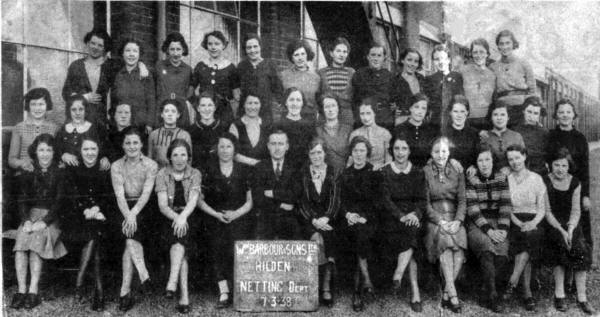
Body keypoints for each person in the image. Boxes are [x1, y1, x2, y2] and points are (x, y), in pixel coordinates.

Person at [10, 134, 67, 310]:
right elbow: (22, 200)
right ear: (35, 151)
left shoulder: (60, 172)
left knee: (35, 244)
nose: (45, 154)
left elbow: (60, 202)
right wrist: (26, 221)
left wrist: (45, 221)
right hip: (30, 215)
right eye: (41, 150)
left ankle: (33, 291)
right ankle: (21, 290)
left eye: (48, 150)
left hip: (51, 218)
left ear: (54, 152)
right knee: (21, 242)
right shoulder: (28, 171)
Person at [199, 133, 253, 308]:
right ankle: (224, 291)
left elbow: (250, 201)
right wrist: (216, 215)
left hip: (239, 217)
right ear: (217, 149)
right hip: (215, 217)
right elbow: (199, 200)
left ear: (234, 148)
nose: (225, 150)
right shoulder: (208, 169)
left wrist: (235, 214)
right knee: (217, 245)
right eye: (221, 146)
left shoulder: (244, 170)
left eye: (228, 146)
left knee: (237, 244)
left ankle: (238, 287)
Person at [110, 126, 158, 311]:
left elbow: (146, 194)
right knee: (129, 233)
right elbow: (119, 195)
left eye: (135, 142)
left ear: (141, 144)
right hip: (122, 207)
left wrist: (133, 214)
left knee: (130, 235)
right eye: (128, 143)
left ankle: (125, 291)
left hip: (144, 208)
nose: (131, 146)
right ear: (122, 145)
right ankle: (142, 273)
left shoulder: (151, 165)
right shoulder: (116, 166)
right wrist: (128, 215)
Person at [543, 148, 595, 315]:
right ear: (551, 165)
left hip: (571, 223)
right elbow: (547, 211)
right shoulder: (545, 181)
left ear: (569, 166)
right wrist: (561, 230)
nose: (560, 169)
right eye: (556, 165)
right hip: (552, 223)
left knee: (580, 248)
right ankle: (560, 294)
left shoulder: (575, 182)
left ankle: (582, 297)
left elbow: (576, 210)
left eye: (564, 165)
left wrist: (571, 229)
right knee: (559, 245)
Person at [63, 136, 113, 311]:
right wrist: (86, 210)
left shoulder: (104, 170)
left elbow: (108, 197)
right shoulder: (73, 170)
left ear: (98, 151)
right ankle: (99, 291)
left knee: (95, 236)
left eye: (93, 149)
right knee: (94, 237)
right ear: (80, 152)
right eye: (86, 149)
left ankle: (81, 280)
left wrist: (98, 209)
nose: (90, 153)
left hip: (100, 216)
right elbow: (71, 197)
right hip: (77, 218)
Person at [62, 29, 148, 128]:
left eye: (100, 45)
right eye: (93, 43)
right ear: (87, 43)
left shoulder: (111, 65)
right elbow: (65, 92)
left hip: (100, 121)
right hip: (78, 119)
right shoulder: (76, 66)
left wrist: (141, 65)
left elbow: (130, 61)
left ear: (105, 48)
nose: (95, 47)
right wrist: (84, 97)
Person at [380, 134, 426, 312]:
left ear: (410, 151)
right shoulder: (384, 172)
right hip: (390, 218)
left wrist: (415, 214)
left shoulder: (417, 172)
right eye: (397, 148)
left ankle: (399, 274)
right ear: (392, 150)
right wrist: (401, 216)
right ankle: (414, 292)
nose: (400, 152)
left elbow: (422, 200)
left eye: (404, 148)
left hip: (412, 217)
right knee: (410, 237)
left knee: (413, 231)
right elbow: (385, 200)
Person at [155, 139, 201, 314]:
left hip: (190, 216)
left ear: (188, 157)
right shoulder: (162, 174)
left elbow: (193, 201)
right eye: (175, 155)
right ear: (169, 158)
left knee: (180, 240)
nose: (180, 159)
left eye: (183, 154)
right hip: (169, 217)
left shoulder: (195, 173)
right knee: (179, 243)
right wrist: (177, 218)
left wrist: (182, 218)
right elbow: (162, 206)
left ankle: (172, 282)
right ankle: (184, 296)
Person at [465, 144, 512, 313]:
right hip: (477, 223)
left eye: (487, 159)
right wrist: (489, 230)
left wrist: (502, 229)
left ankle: (484, 289)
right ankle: (492, 295)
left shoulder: (501, 178)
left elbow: (506, 205)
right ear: (475, 163)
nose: (484, 164)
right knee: (486, 248)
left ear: (493, 161)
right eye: (480, 160)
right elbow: (473, 209)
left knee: (502, 250)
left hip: (498, 222)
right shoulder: (471, 180)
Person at [423, 137, 467, 313]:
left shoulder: (457, 170)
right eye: (436, 152)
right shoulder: (425, 172)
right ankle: (452, 293)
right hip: (435, 217)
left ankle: (447, 292)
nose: (440, 155)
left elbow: (463, 199)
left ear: (449, 152)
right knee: (446, 243)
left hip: (455, 215)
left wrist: (458, 220)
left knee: (459, 245)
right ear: (431, 153)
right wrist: (440, 221)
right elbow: (425, 204)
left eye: (443, 151)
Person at [340, 136, 381, 312]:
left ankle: (358, 291)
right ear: (351, 152)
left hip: (370, 219)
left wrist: (364, 216)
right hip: (349, 219)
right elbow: (340, 201)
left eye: (362, 150)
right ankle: (367, 281)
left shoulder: (374, 172)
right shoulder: (345, 174)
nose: (358, 154)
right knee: (357, 233)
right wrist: (348, 214)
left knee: (360, 233)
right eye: (355, 150)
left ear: (368, 153)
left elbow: (378, 201)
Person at [298, 138, 340, 307]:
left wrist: (326, 218)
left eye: (319, 152)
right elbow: (302, 202)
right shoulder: (303, 173)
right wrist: (315, 220)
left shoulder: (333, 172)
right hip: (309, 219)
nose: (316, 156)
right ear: (309, 155)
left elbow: (335, 200)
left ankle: (326, 285)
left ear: (325, 154)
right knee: (317, 239)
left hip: (329, 218)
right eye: (313, 153)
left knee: (328, 236)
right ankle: (320, 287)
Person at [504, 144, 546, 311]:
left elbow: (542, 208)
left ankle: (513, 281)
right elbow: (506, 207)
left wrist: (533, 223)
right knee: (525, 239)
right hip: (514, 220)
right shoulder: (506, 180)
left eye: (517, 157)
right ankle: (527, 293)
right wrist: (518, 222)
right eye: (510, 159)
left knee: (531, 236)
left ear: (524, 156)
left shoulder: (536, 178)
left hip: (535, 219)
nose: (514, 162)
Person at [546, 99, 592, 248]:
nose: (565, 115)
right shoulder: (550, 136)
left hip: (575, 186)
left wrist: (586, 195)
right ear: (556, 115)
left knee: (580, 223)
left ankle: (583, 257)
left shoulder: (580, 138)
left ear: (573, 115)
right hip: (556, 187)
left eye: (568, 112)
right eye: (561, 112)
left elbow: (584, 169)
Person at [252, 130, 301, 240]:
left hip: (290, 220)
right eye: (273, 144)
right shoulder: (259, 167)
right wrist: (281, 205)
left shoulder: (295, 167)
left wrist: (273, 193)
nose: (277, 148)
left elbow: (295, 194)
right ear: (268, 146)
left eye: (281, 144)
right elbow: (258, 197)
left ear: (287, 146)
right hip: (266, 219)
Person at [191, 31, 239, 125]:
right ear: (206, 46)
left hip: (224, 114)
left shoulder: (231, 68)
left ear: (223, 45)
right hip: (204, 113)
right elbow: (190, 89)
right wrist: (197, 106)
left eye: (217, 44)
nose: (213, 47)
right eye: (210, 44)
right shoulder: (201, 66)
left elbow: (236, 95)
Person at [490, 30, 535, 126]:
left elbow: (532, 91)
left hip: (521, 109)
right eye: (501, 44)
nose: (505, 47)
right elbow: (492, 93)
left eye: (508, 43)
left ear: (513, 44)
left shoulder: (524, 64)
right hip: (502, 110)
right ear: (498, 46)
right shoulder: (493, 67)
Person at [111, 37, 156, 133]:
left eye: (135, 51)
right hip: (121, 126)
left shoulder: (145, 75)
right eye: (127, 51)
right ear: (122, 54)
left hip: (141, 126)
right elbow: (114, 102)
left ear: (139, 55)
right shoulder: (118, 75)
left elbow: (151, 101)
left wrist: (149, 123)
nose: (131, 54)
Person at [8, 88, 58, 173]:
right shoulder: (19, 128)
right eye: (33, 104)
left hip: (48, 174)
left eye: (41, 104)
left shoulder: (54, 128)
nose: (37, 108)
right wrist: (22, 163)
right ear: (28, 106)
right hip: (25, 174)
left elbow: (57, 155)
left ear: (47, 105)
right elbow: (12, 160)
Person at [236, 33, 283, 123]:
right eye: (249, 47)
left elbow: (278, 90)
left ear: (260, 47)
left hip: (264, 112)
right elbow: (236, 90)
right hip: (245, 111)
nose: (252, 50)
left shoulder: (270, 65)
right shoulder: (241, 66)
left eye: (255, 46)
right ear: (245, 49)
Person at [55, 95, 110, 171]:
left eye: (81, 109)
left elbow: (106, 148)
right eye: (74, 109)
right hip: (68, 172)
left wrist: (105, 157)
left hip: (92, 171)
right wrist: (63, 155)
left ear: (86, 110)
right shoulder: (62, 130)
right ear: (69, 111)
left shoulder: (95, 128)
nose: (77, 113)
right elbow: (55, 150)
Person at [352, 43, 399, 131]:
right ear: (368, 57)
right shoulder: (359, 75)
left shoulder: (390, 77)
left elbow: (395, 100)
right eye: (373, 55)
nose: (376, 59)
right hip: (364, 120)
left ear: (384, 58)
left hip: (384, 120)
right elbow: (354, 101)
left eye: (379, 55)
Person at [156, 32, 195, 128]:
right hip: (163, 111)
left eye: (178, 49)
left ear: (183, 50)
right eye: (172, 49)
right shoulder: (159, 66)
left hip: (181, 112)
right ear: (167, 50)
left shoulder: (188, 69)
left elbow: (190, 93)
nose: (176, 53)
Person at [424, 44, 464, 130]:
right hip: (435, 122)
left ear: (449, 60)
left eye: (443, 58)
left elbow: (462, 100)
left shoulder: (457, 77)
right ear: (433, 61)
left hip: (453, 121)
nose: (440, 62)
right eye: (437, 59)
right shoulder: (429, 79)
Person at [279, 39, 321, 122]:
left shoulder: (316, 78)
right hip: (288, 119)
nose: (300, 58)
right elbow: (280, 100)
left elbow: (318, 103)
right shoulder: (283, 76)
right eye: (296, 55)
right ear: (292, 57)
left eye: (303, 54)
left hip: (309, 120)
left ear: (307, 55)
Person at [393, 93, 439, 168]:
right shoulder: (399, 129)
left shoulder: (432, 130)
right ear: (410, 108)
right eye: (416, 107)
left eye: (423, 108)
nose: (420, 111)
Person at [318, 37, 355, 125]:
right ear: (331, 53)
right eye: (338, 51)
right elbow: (317, 97)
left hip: (347, 119)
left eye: (344, 52)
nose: (341, 54)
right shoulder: (321, 73)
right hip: (326, 118)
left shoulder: (352, 73)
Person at [274, 87, 315, 168]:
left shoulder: (309, 124)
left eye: (298, 100)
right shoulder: (279, 124)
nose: (294, 104)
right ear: (285, 102)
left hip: (305, 167)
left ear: (302, 103)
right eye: (291, 100)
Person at [460, 38, 496, 131]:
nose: (478, 55)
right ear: (471, 54)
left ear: (487, 54)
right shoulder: (463, 71)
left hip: (487, 121)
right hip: (467, 120)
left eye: (481, 52)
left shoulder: (492, 75)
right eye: (475, 52)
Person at [479, 101, 525, 171]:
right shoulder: (484, 136)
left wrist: (510, 168)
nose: (499, 118)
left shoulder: (516, 136)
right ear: (491, 117)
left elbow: (523, 160)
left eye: (503, 114)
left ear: (508, 117)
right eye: (495, 115)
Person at [189, 91, 229, 170]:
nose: (206, 109)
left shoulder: (224, 128)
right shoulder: (191, 131)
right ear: (198, 108)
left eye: (210, 105)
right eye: (203, 105)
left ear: (215, 107)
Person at [229, 92, 271, 166]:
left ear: (260, 105)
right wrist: (254, 163)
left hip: (263, 171)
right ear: (244, 105)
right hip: (241, 171)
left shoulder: (266, 125)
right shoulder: (236, 125)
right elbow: (232, 152)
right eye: (249, 103)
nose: (253, 107)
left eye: (256, 103)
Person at [148, 99, 192, 168]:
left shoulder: (184, 135)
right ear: (162, 114)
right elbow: (149, 159)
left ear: (178, 115)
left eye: (173, 111)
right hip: (159, 175)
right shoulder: (154, 135)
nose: (170, 114)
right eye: (166, 111)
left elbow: (189, 161)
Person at [348, 98, 391, 170]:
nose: (365, 117)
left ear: (374, 113)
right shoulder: (354, 134)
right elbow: (351, 160)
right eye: (362, 114)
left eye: (368, 113)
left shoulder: (385, 134)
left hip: (380, 173)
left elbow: (389, 161)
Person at [512, 96, 549, 176]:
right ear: (523, 111)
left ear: (539, 115)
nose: (531, 116)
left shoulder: (544, 132)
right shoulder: (515, 131)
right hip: (521, 171)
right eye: (529, 112)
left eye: (535, 113)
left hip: (539, 172)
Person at [315, 93, 353, 171]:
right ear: (322, 110)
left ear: (338, 108)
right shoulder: (317, 131)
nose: (330, 110)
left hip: (346, 173)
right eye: (327, 107)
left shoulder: (348, 129)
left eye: (333, 106)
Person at [443, 95, 479, 170]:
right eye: (455, 111)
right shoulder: (443, 133)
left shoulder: (474, 133)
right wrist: (450, 160)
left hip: (470, 175)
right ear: (450, 112)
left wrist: (474, 167)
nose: (459, 115)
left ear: (467, 113)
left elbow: (479, 155)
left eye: (462, 111)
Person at [396, 48, 425, 125]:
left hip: (420, 122)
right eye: (409, 60)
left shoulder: (421, 79)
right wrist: (393, 110)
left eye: (416, 61)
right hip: (402, 122)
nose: (412, 64)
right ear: (402, 60)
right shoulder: (395, 80)